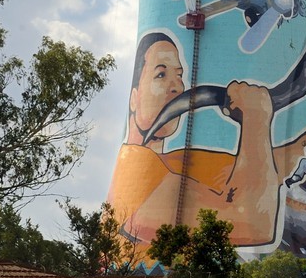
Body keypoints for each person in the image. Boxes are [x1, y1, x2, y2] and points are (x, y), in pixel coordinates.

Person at [107, 31, 280, 248]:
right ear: (134, 98)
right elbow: (253, 225)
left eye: (179, 75)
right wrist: (256, 117)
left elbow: (283, 161)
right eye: (161, 74)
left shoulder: (174, 162)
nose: (177, 86)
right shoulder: (136, 163)